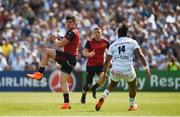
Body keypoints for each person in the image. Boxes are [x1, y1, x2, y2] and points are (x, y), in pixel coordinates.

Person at [26, 15, 80, 109]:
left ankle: (40, 73)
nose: (68, 23)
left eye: (70, 22)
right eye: (67, 22)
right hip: (72, 60)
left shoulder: (72, 32)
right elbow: (65, 39)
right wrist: (58, 36)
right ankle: (66, 104)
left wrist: (55, 39)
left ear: (75, 23)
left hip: (68, 57)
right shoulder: (73, 32)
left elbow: (60, 44)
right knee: (63, 82)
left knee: (46, 51)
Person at [95, 24, 151, 111]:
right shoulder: (132, 42)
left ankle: (103, 97)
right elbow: (140, 55)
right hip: (128, 69)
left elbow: (106, 61)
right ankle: (132, 105)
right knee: (133, 86)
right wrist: (146, 68)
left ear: (118, 34)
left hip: (116, 69)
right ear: (127, 33)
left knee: (112, 84)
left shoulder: (113, 45)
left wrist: (105, 74)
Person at [81, 26, 109, 104]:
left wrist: (110, 60)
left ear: (101, 33)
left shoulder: (105, 42)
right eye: (95, 32)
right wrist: (89, 54)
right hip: (90, 66)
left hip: (100, 65)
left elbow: (110, 52)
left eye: (98, 32)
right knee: (88, 84)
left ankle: (94, 87)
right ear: (93, 34)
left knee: (104, 77)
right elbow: (84, 53)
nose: (97, 34)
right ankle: (83, 96)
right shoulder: (89, 42)